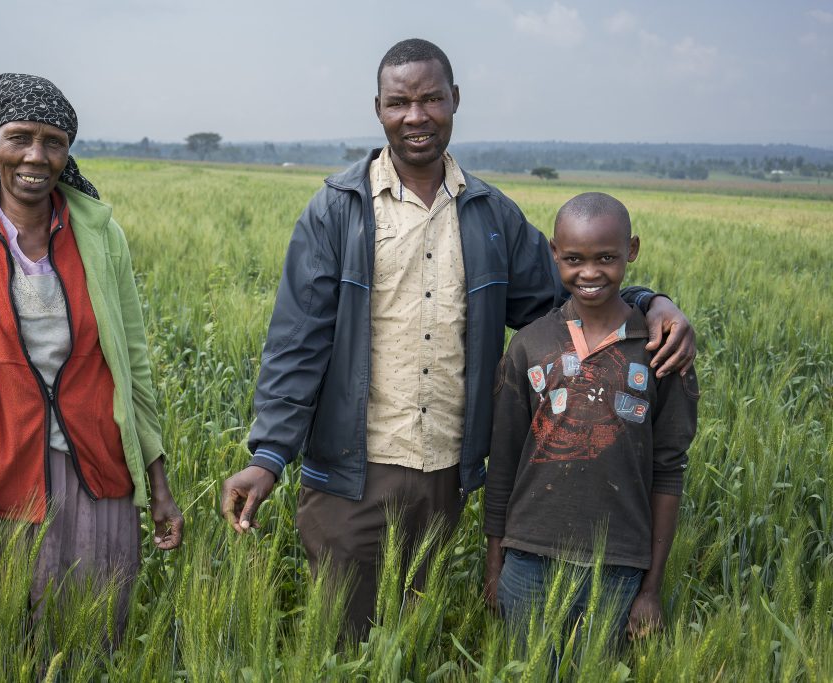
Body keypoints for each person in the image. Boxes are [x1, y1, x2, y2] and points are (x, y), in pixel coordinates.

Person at [220, 39, 696, 636]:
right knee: (339, 641)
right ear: (378, 109)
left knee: (412, 638)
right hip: (351, 473)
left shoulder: (490, 216)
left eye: (430, 99)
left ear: (455, 101)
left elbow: (568, 294)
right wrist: (269, 455)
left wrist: (651, 303)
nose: (415, 116)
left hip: (446, 476)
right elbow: (297, 344)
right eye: (399, 102)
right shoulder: (337, 211)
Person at [0, 73, 183, 641]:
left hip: (97, 477)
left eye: (54, 141)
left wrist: (157, 483)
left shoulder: (100, 235)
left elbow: (133, 367)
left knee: (91, 641)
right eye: (19, 137)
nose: (37, 155)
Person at [482, 192, 698, 648]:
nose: (590, 272)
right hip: (527, 561)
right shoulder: (528, 345)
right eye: (574, 259)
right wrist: (495, 563)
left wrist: (652, 589)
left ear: (632, 251)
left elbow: (668, 472)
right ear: (555, 255)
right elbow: (502, 464)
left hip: (618, 568)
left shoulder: (662, 350)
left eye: (606, 257)